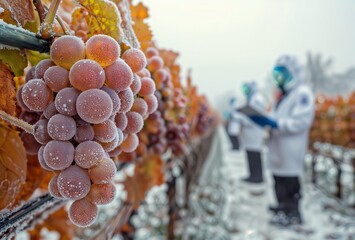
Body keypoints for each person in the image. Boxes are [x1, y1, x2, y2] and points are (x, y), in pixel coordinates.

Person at [250, 55, 315, 226]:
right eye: (277, 74)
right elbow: (278, 116)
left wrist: (277, 124)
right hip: (279, 146)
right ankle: (282, 207)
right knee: (278, 178)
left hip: (291, 146)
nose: (279, 78)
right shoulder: (284, 95)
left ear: (293, 72)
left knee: (290, 182)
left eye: (283, 73)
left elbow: (301, 122)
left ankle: (293, 214)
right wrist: (268, 120)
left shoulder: (302, 94)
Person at [231, 81, 266, 183]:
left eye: (247, 89)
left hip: (254, 131)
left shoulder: (258, 99)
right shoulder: (250, 99)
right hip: (249, 131)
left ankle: (257, 177)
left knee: (254, 154)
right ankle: (252, 174)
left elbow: (257, 115)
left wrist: (243, 120)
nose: (245, 91)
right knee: (250, 153)